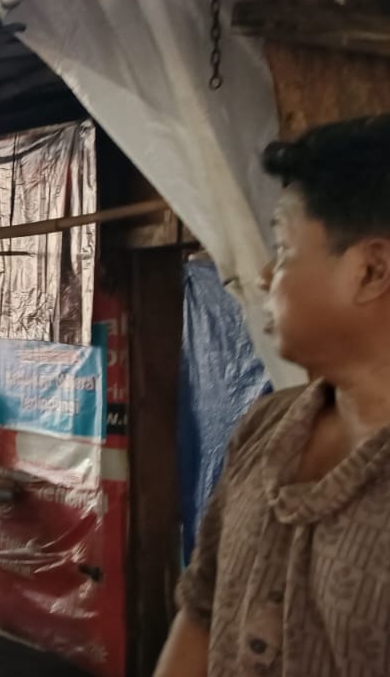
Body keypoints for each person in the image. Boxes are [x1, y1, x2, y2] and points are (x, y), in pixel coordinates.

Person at [155, 115, 390, 677]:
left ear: (371, 270)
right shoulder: (266, 425)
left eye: (283, 248)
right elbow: (203, 609)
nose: (264, 275)